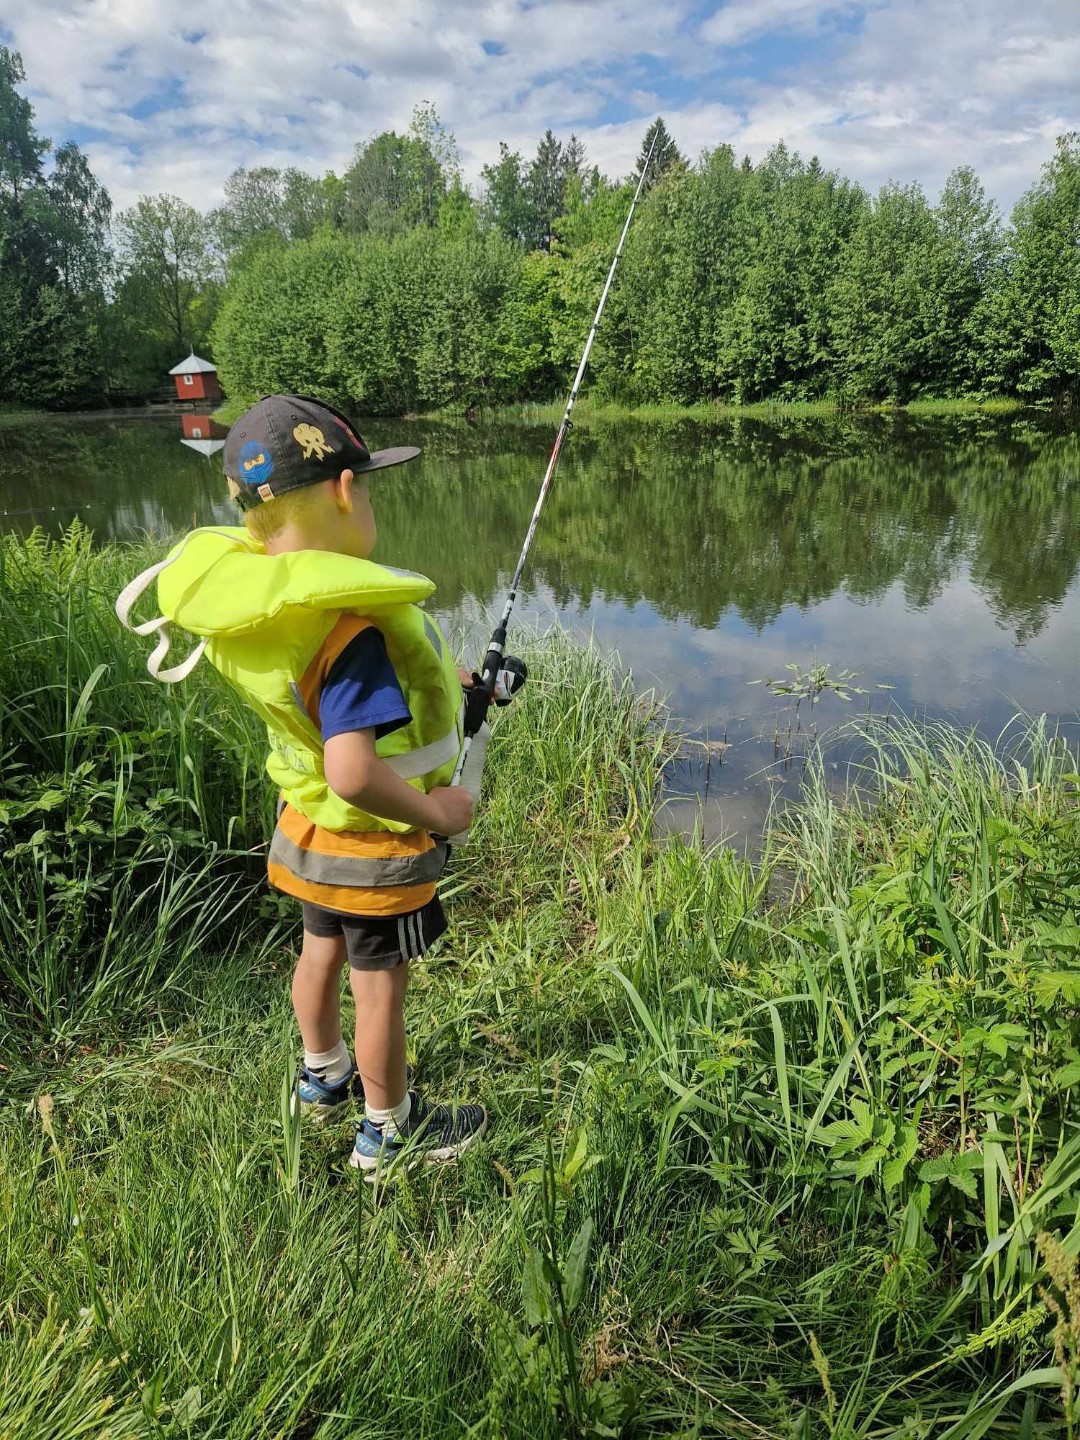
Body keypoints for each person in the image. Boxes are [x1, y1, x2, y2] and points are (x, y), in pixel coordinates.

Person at [118, 394, 521, 1175]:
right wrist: (435, 809)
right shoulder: (352, 631)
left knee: (318, 955)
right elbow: (354, 768)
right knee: (380, 989)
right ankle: (389, 1130)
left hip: (306, 831)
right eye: (365, 487)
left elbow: (327, 727)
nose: (367, 502)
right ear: (342, 491)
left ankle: (322, 1075)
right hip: (368, 848)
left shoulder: (269, 617)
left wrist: (465, 687)